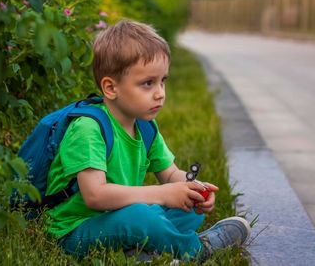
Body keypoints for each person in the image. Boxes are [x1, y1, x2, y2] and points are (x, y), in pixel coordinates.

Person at [44, 20, 250, 261]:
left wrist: (194, 188)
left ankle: (144, 251)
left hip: (120, 216)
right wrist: (162, 194)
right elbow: (95, 196)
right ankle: (196, 250)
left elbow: (170, 174)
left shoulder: (144, 125)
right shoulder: (89, 129)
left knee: (190, 207)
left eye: (163, 81)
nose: (160, 92)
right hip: (77, 230)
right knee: (141, 217)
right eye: (147, 83)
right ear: (111, 88)